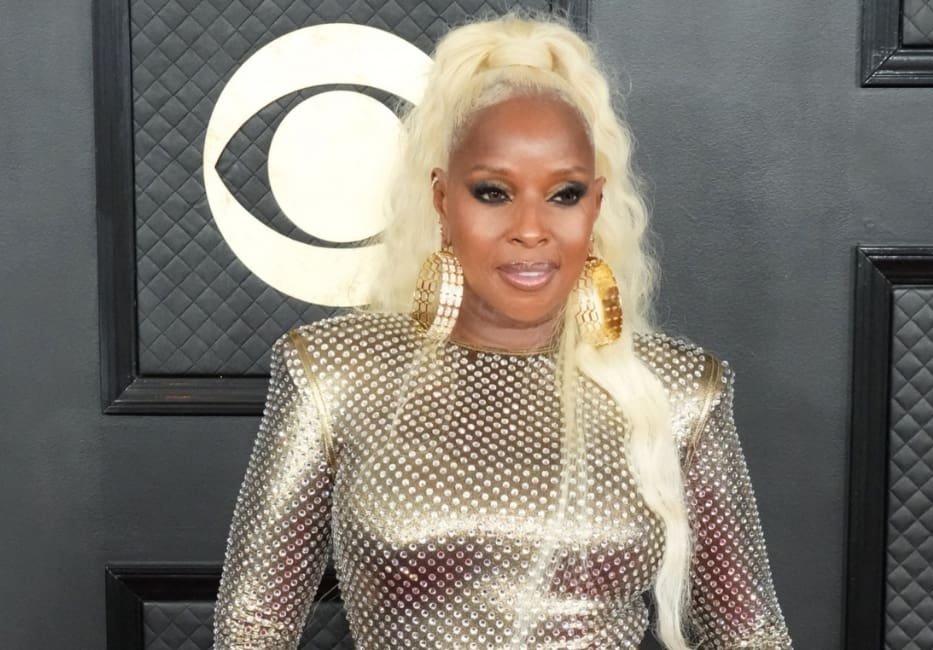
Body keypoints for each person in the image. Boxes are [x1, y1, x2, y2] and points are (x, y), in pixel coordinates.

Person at [212, 12, 792, 650]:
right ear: (443, 200)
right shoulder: (335, 373)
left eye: (564, 195)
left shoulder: (677, 391)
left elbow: (750, 635)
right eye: (493, 193)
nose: (531, 229)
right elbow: (253, 628)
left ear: (596, 205)